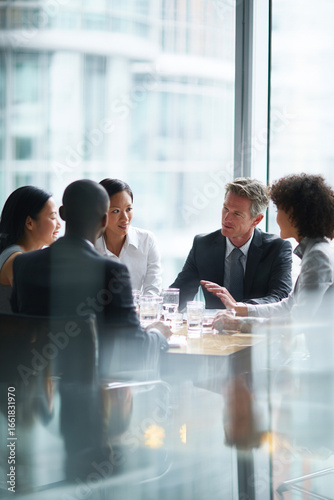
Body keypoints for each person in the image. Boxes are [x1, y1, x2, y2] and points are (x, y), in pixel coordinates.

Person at [10, 180, 170, 375]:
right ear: (104, 220)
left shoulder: (23, 265)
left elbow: (19, 328)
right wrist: (159, 334)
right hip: (91, 397)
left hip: (33, 392)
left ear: (62, 213)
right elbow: (135, 347)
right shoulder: (112, 273)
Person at [213, 173, 334, 331]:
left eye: (278, 210)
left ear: (294, 214)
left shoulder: (317, 256)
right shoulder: (315, 251)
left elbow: (297, 321)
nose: (276, 218)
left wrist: (238, 324)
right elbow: (288, 305)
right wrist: (239, 308)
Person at [170, 177, 292, 310]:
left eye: (237, 214)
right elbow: (179, 294)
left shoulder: (277, 248)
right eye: (225, 208)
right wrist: (151, 305)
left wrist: (239, 307)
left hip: (256, 328)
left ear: (256, 220)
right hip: (216, 328)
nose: (226, 218)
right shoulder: (203, 245)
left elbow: (280, 297)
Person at [95, 178, 162, 295]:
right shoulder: (90, 245)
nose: (125, 218)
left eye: (129, 209)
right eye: (116, 211)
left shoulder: (147, 240)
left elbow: (153, 290)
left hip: (137, 311)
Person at [0, 186, 60, 312]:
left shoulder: (17, 255)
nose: (59, 225)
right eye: (53, 218)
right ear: (29, 223)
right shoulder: (16, 259)